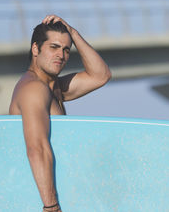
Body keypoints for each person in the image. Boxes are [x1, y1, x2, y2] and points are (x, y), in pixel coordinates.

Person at [9, 15, 111, 212]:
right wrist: (51, 206)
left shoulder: (54, 88)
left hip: (51, 195)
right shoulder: (34, 89)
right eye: (54, 47)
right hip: (38, 200)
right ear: (36, 49)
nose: (61, 55)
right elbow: (36, 148)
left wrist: (73, 33)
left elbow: (101, 75)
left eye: (66, 49)